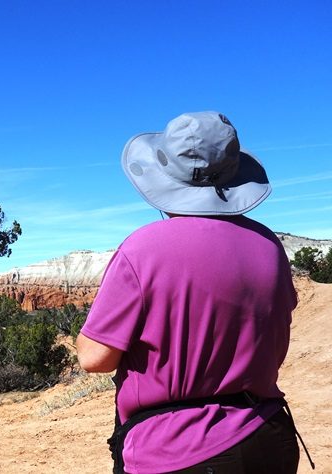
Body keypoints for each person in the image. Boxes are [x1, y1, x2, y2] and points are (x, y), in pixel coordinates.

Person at [76, 111, 313, 473]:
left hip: (175, 450)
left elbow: (95, 359)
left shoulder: (142, 249)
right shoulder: (269, 245)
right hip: (268, 436)